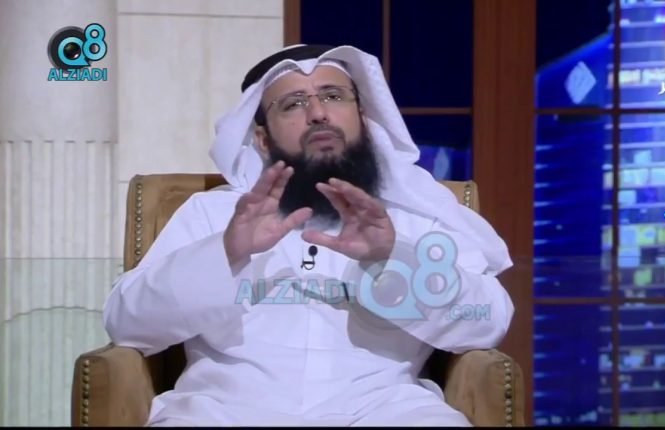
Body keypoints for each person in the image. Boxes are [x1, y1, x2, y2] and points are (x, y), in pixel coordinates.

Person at [103, 44, 515, 427]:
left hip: (383, 409)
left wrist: (392, 258)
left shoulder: (414, 215)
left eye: (333, 96)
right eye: (293, 103)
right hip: (225, 411)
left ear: (364, 120)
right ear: (262, 139)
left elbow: (486, 323)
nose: (318, 112)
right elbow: (127, 323)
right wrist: (226, 252)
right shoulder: (215, 213)